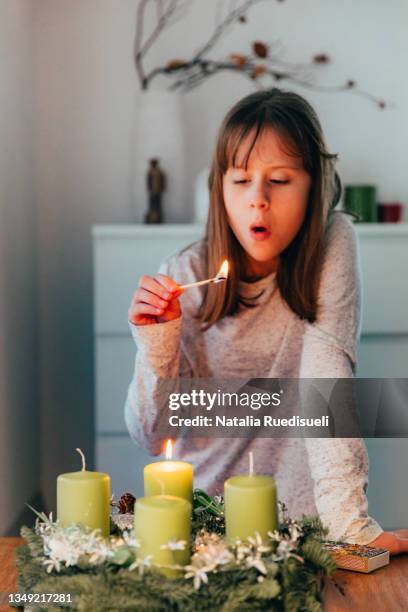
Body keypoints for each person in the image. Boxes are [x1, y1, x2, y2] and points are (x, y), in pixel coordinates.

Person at [126, 88, 408, 554]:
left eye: (279, 180)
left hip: (307, 535)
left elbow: (327, 385)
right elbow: (152, 439)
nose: (257, 200)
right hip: (205, 537)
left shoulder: (332, 243)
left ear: (314, 185)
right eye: (240, 181)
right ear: (220, 188)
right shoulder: (183, 275)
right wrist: (156, 343)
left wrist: (347, 529)